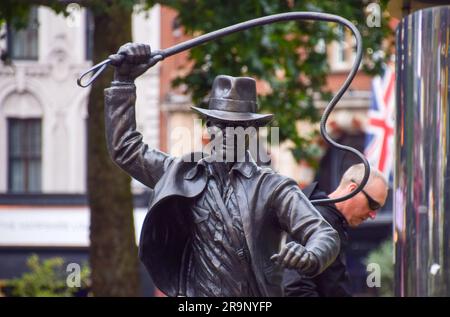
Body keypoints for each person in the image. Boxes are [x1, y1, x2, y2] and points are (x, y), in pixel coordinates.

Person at [104, 42, 340, 297]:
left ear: (252, 131)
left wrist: (311, 255)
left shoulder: (272, 188)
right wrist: (123, 83)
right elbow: (126, 148)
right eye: (220, 124)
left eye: (238, 126)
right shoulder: (181, 175)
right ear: (209, 127)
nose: (228, 133)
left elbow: (323, 233)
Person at [283, 163, 389, 297]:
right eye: (373, 205)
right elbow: (296, 287)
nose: (373, 215)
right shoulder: (316, 220)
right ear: (353, 189)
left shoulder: (325, 218)